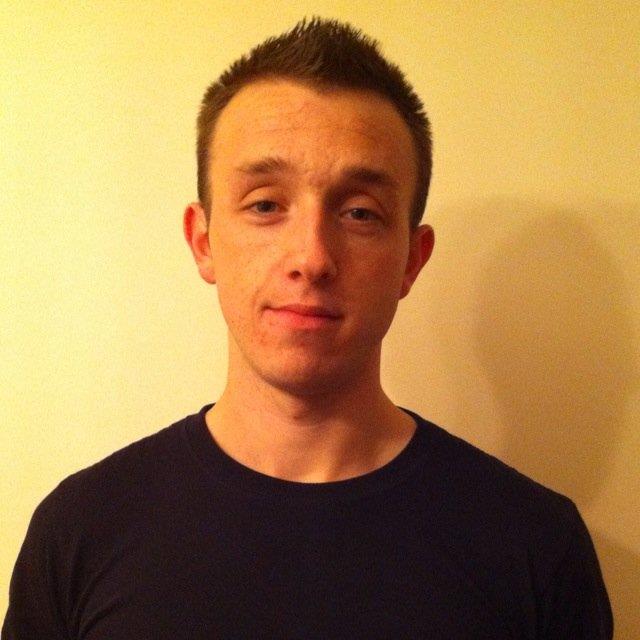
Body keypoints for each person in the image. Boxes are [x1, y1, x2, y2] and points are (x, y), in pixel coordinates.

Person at [3, 18, 612, 639]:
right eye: (266, 204)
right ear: (204, 240)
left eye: (359, 213)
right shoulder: (79, 532)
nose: (312, 257)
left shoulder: (538, 548)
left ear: (412, 259)